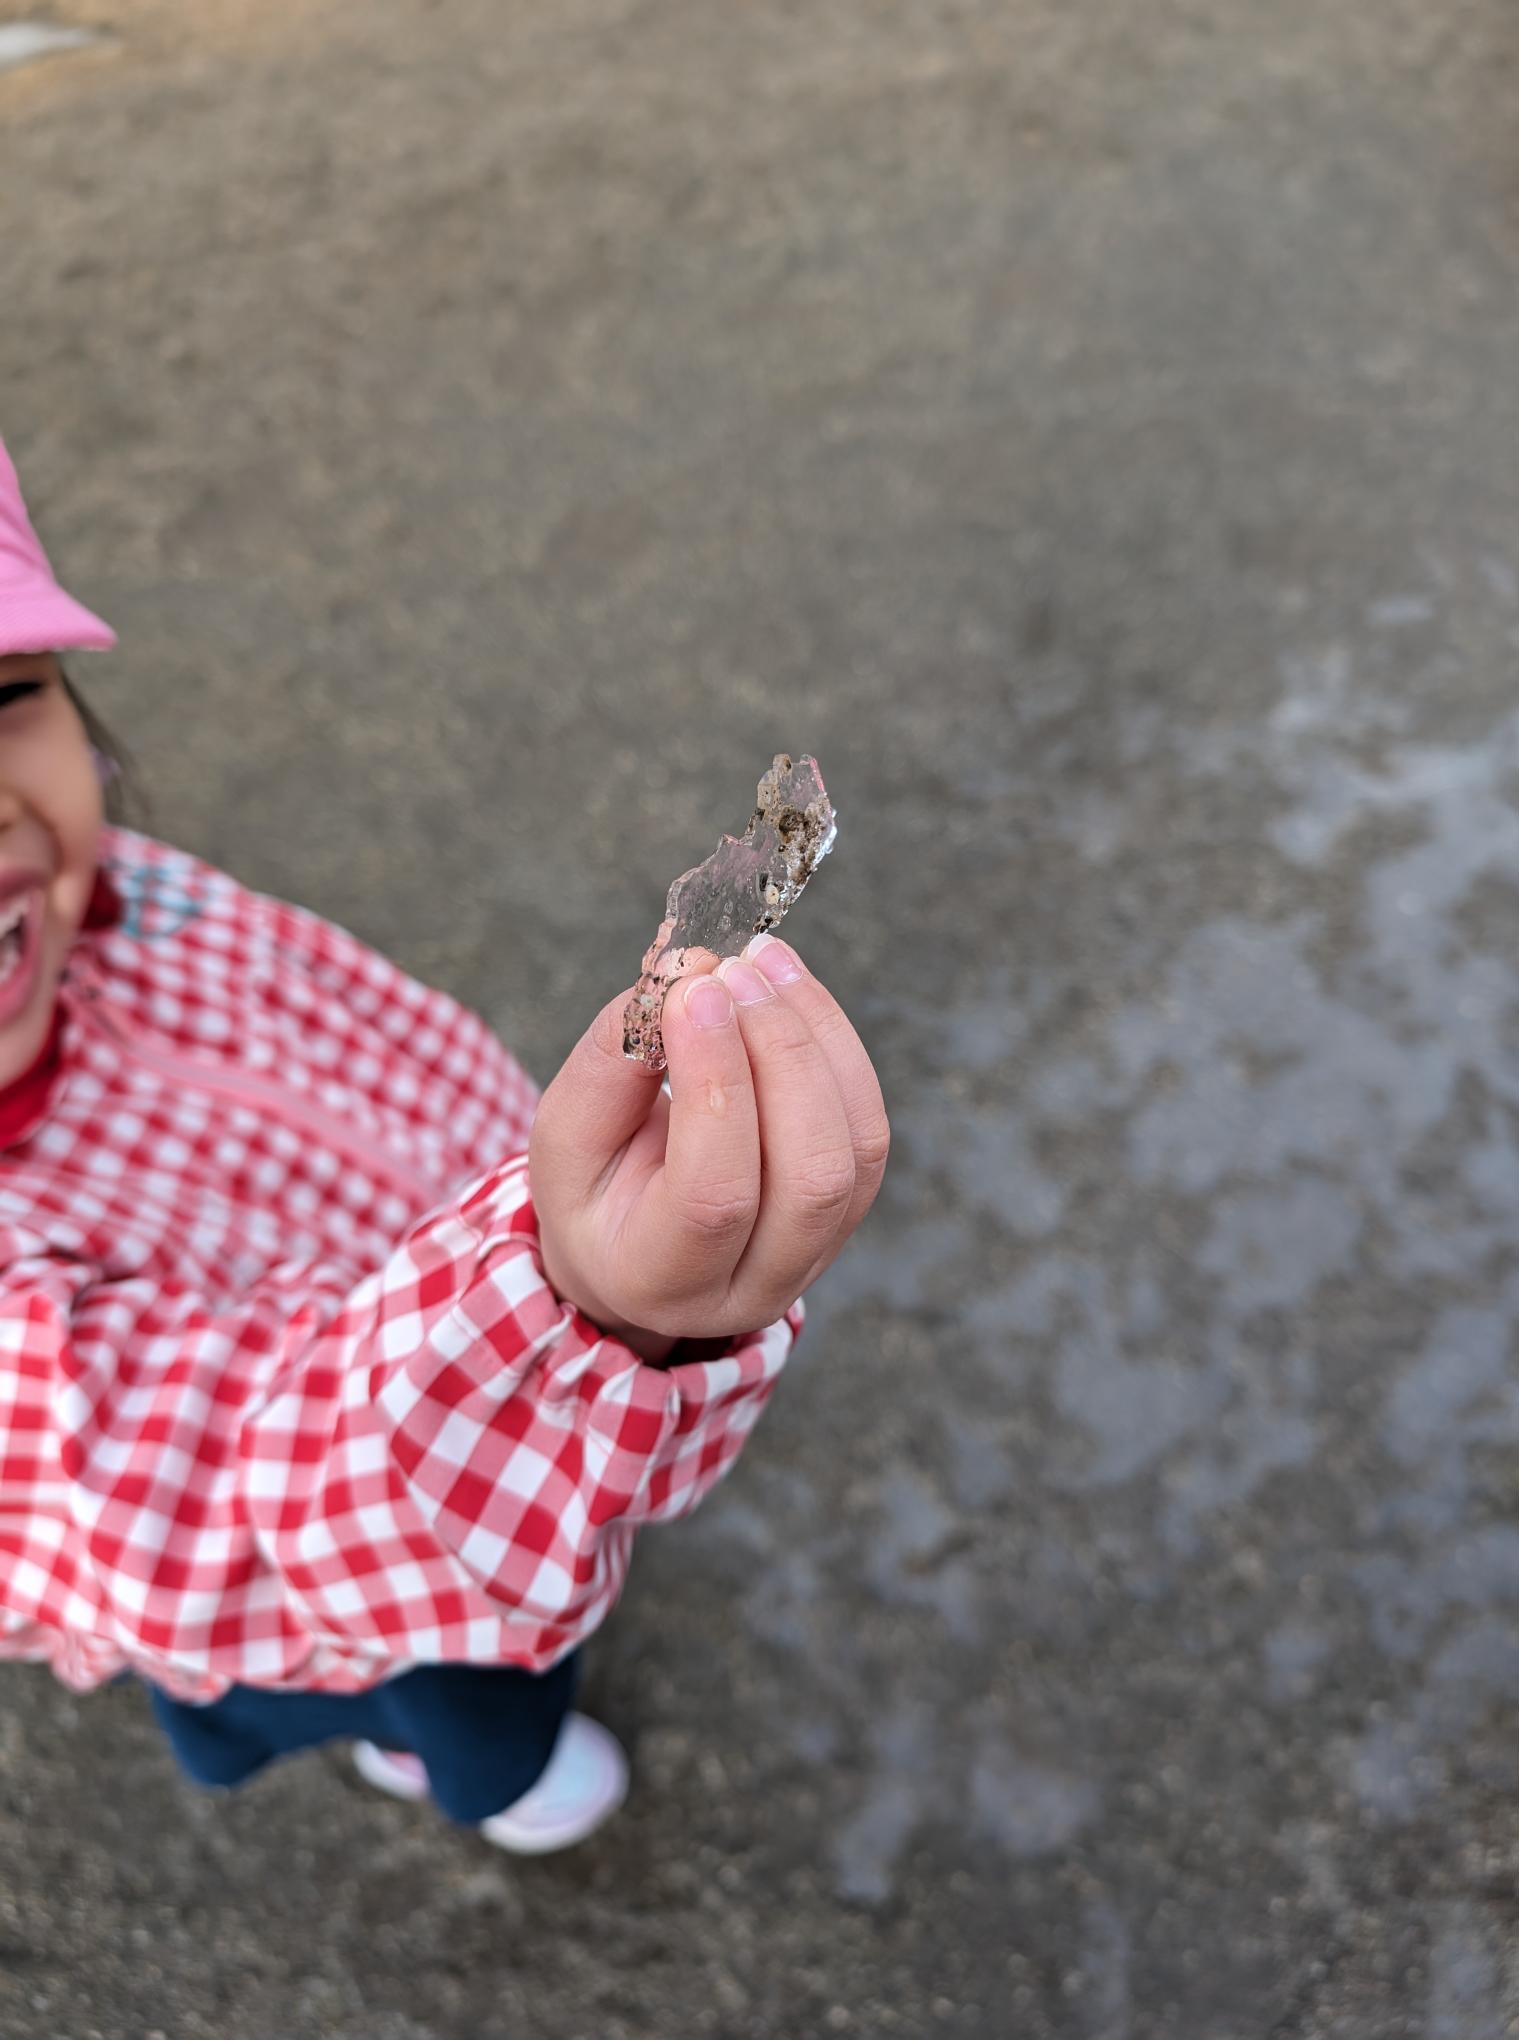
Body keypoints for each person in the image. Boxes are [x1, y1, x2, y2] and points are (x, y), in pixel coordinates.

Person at [0, 434, 887, 1854]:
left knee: (531, 1550)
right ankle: (462, 1767)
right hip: (323, 1550)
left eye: (5, 698)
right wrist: (573, 1307)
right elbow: (234, 1487)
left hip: (433, 1262)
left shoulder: (112, 895)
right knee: (456, 1680)